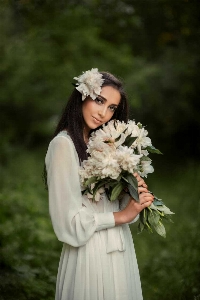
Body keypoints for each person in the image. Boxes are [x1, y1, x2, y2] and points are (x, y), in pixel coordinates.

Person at [45, 68, 154, 300]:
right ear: (82, 95)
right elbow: (68, 224)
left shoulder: (106, 142)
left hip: (120, 248)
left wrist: (131, 193)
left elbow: (112, 205)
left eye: (112, 108)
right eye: (99, 100)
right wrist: (121, 217)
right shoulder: (63, 145)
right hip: (88, 254)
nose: (104, 113)